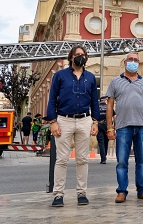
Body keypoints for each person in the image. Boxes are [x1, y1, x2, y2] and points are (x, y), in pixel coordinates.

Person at [45, 45, 100, 207]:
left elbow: (94, 102)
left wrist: (95, 121)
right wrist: (53, 121)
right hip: (64, 120)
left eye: (83, 55)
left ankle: (82, 193)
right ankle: (58, 195)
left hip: (84, 120)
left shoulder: (90, 77)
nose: (80, 57)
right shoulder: (60, 76)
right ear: (71, 57)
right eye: (77, 55)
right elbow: (52, 99)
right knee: (61, 159)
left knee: (82, 159)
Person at [106, 52, 143, 203]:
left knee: (141, 160)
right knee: (122, 161)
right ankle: (122, 191)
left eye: (136, 60)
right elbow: (109, 105)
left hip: (141, 127)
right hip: (122, 127)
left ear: (138, 64)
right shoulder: (115, 81)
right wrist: (109, 127)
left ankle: (142, 190)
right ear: (125, 62)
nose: (133, 62)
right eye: (130, 60)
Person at [97, 96, 110, 164]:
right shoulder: (108, 106)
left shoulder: (97, 107)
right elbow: (114, 116)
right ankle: (104, 155)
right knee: (106, 141)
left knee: (101, 141)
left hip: (99, 125)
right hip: (107, 125)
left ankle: (103, 158)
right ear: (105, 101)